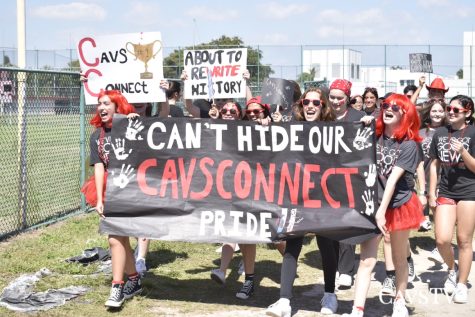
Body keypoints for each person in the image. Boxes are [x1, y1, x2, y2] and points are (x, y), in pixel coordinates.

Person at [342, 94, 424, 317]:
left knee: (398, 257)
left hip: (398, 204)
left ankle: (399, 299)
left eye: (396, 108)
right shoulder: (373, 134)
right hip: (372, 203)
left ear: (405, 114)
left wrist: (381, 213)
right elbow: (347, 140)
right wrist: (364, 123)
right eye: (386, 105)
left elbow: (392, 182)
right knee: (366, 259)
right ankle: (357, 309)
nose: (388, 109)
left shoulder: (409, 145)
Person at [266, 87, 340, 316]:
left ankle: (329, 296)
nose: (310, 106)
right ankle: (284, 300)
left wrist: (366, 124)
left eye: (316, 103)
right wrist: (269, 129)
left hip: (325, 198)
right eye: (306, 102)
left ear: (323, 106)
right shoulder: (290, 129)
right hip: (296, 195)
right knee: (292, 245)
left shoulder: (335, 131)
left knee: (327, 246)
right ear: (300, 105)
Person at [81, 90, 143, 308]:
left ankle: (117, 286)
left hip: (130, 187)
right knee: (120, 238)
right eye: (99, 104)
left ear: (118, 106)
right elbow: (98, 166)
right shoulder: (95, 135)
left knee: (115, 238)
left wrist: (133, 123)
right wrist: (99, 197)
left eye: (106, 103)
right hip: (109, 189)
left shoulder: (132, 127)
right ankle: (133, 280)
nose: (101, 107)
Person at [428, 95, 475, 304]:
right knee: (442, 239)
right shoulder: (439, 133)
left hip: (469, 191)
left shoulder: (473, 133)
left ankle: (462, 284)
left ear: (468, 113)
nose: (451, 112)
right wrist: (430, 192)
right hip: (446, 191)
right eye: (449, 108)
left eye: (456, 110)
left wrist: (463, 151)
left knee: (464, 241)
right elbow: (434, 164)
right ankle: (451, 269)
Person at [327, 79, 373, 289]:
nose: (335, 101)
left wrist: (370, 124)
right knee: (329, 223)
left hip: (350, 177)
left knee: (346, 223)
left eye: (339, 98)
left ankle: (346, 270)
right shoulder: (323, 116)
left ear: (348, 98)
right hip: (325, 177)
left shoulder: (358, 117)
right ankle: (333, 263)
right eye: (332, 97)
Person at [418, 99, 447, 263]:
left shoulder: (448, 131)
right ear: (429, 112)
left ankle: (440, 245)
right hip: (426, 177)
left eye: (440, 111)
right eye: (434, 111)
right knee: (430, 210)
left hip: (443, 179)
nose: (437, 114)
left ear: (445, 113)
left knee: (439, 213)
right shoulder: (421, 132)